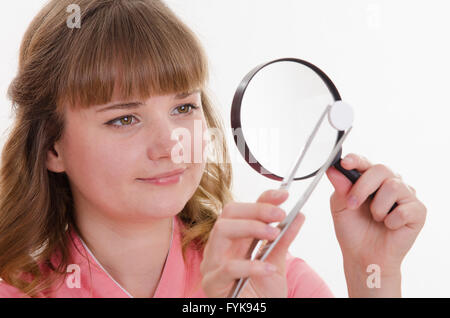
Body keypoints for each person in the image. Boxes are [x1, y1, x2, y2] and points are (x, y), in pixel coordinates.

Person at [0, 0, 426, 298]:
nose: (171, 144)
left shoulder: (271, 277)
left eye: (184, 107)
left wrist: (372, 272)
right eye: (124, 119)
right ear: (51, 147)